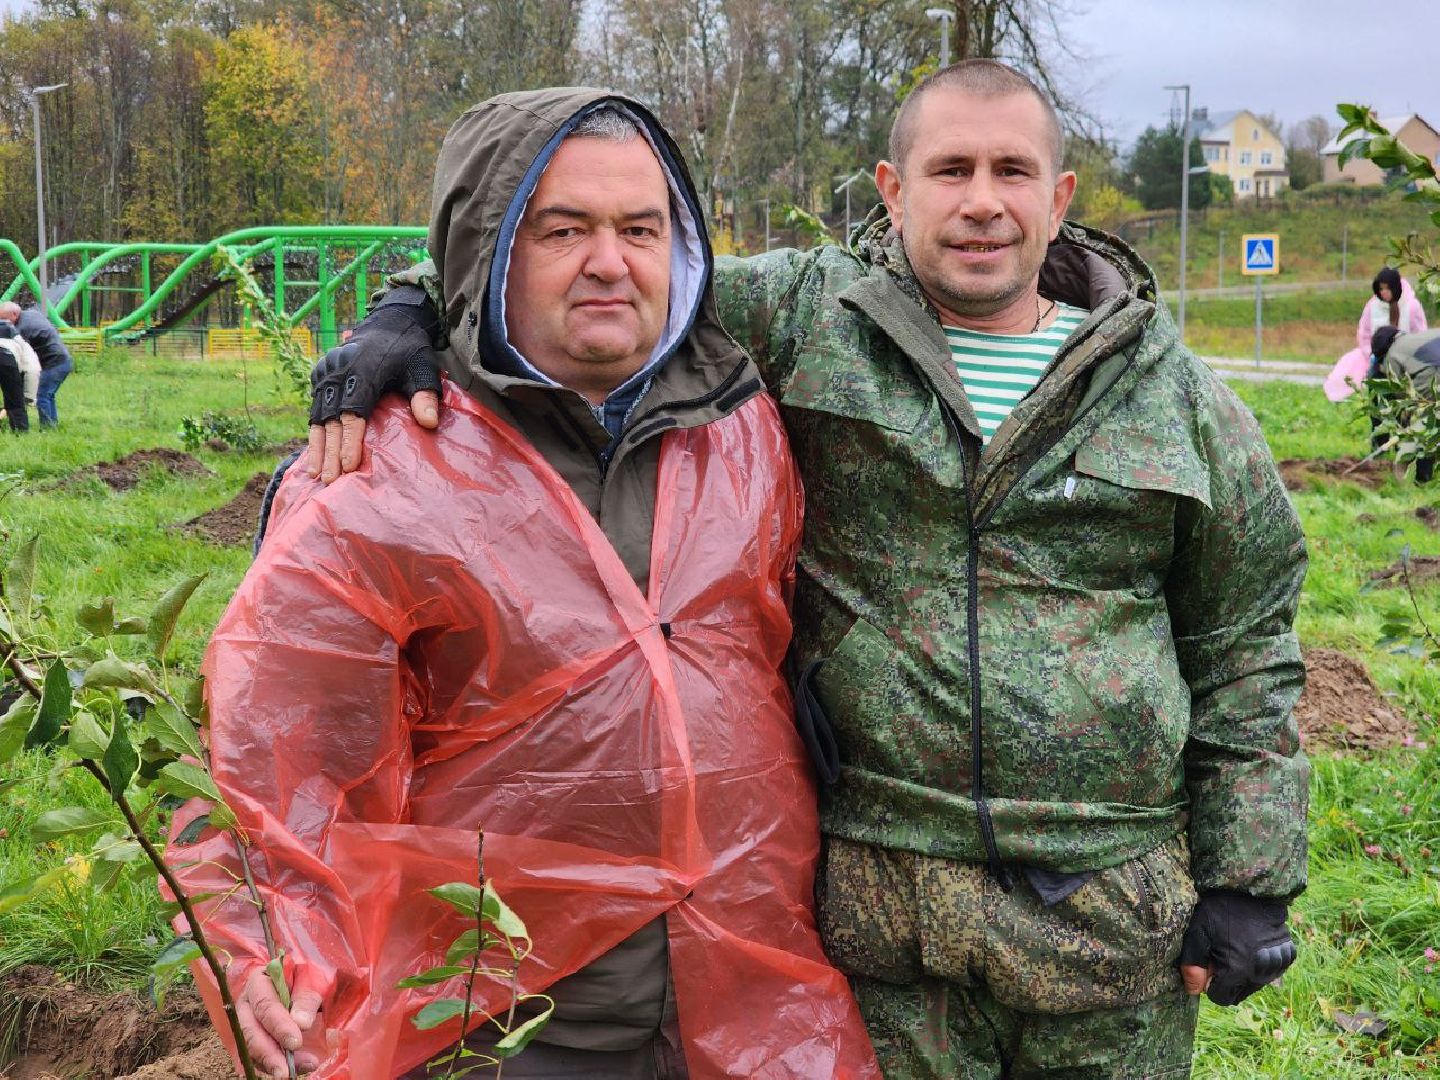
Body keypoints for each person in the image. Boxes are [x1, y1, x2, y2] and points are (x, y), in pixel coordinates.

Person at [306, 61, 1309, 1079]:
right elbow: (598, 272)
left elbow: (1246, 635)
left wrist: (1251, 875)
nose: (980, 202)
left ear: (1057, 200)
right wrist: (404, 310)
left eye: (1012, 172)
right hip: (887, 916)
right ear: (891, 188)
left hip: (1109, 920)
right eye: (949, 168)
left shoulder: (1172, 394)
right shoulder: (812, 317)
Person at [171, 91, 878, 1080]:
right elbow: (273, 760)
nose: (610, 260)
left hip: (752, 995)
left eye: (641, 228)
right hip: (506, 1021)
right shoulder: (384, 471)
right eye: (563, 229)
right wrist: (259, 951)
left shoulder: (745, 426)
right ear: (490, 249)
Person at [1324, 267, 1428, 402]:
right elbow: (1364, 334)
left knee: (1404, 403)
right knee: (1378, 401)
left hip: (1405, 365)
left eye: (1387, 289)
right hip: (1379, 364)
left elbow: (1421, 336)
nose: (1383, 292)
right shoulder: (1372, 306)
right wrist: (1372, 355)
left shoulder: (1412, 306)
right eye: (1381, 289)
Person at [1368, 324, 1440, 482]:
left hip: (1433, 375)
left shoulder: (1392, 355)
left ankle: (1420, 479)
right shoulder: (1418, 337)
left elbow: (1400, 397)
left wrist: (1404, 426)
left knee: (1424, 426)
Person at [0, 300, 73, 426]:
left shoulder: (23, 328)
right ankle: (52, 424)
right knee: (48, 395)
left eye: (5, 320)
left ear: (14, 314)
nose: (4, 324)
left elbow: (18, 351)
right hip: (62, 359)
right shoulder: (33, 314)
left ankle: (47, 428)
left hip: (54, 362)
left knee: (42, 395)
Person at [0, 321, 33, 431]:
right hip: (7, 360)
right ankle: (20, 429)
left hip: (8, 358)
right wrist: (29, 397)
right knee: (15, 399)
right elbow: (31, 368)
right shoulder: (18, 340)